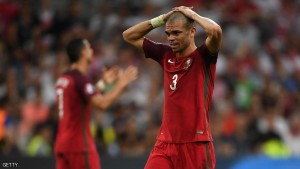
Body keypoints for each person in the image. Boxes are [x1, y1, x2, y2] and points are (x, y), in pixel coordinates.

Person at [123, 6, 222, 169]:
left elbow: (216, 31)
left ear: (192, 32)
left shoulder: (204, 56)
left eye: (176, 33)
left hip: (196, 144)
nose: (171, 38)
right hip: (165, 143)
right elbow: (128, 36)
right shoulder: (165, 54)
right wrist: (160, 19)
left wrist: (192, 15)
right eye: (168, 33)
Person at [54, 38, 138, 169]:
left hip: (62, 145)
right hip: (79, 147)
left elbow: (82, 98)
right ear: (83, 53)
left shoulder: (64, 78)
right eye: (89, 48)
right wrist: (122, 83)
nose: (92, 51)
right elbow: (102, 104)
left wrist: (102, 84)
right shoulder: (80, 79)